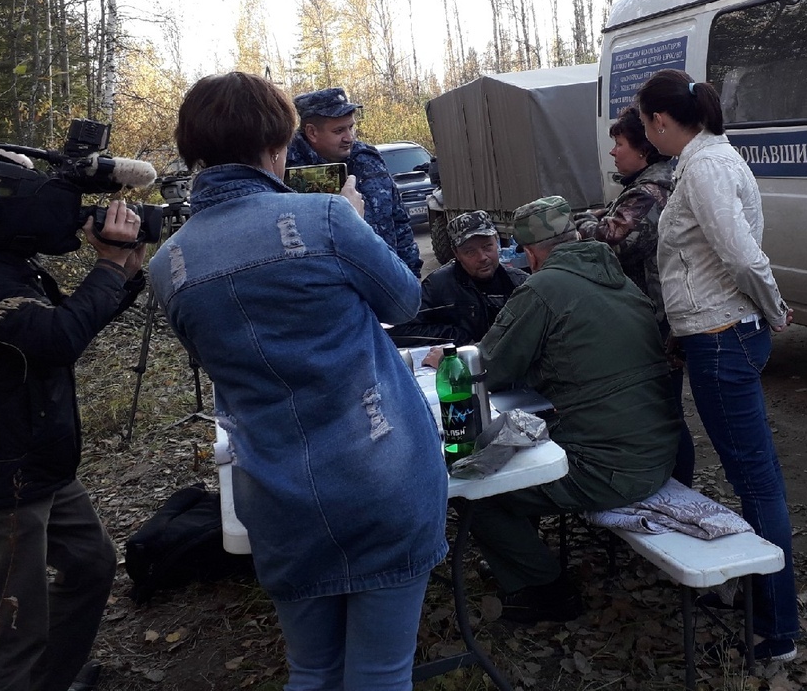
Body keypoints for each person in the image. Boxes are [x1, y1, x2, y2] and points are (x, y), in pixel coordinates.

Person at [148, 72, 447, 691]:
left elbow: (217, 356)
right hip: (381, 475)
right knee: (383, 671)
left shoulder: (166, 265)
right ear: (279, 144)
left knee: (311, 670)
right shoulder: (327, 218)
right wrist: (353, 218)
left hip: (276, 493)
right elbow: (405, 301)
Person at [0, 200, 147, 691]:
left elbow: (60, 324)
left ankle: (47, 682)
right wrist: (106, 265)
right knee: (13, 628)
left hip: (39, 458)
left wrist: (121, 274)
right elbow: (56, 338)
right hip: (4, 474)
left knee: (91, 564)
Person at [636, 67, 799, 664]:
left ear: (659, 121)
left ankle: (777, 628)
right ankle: (759, 597)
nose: (643, 135)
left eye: (644, 123)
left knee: (756, 482)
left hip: (722, 335)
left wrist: (773, 307)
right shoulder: (707, 160)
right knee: (751, 476)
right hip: (720, 332)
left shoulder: (703, 168)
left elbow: (740, 253)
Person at [471, 196, 679, 624]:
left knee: (479, 493)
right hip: (659, 452)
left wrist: (452, 360)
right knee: (518, 453)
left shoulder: (544, 288)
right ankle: (523, 558)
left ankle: (545, 590)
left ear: (529, 253)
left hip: (612, 466)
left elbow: (490, 367)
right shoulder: (622, 282)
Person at [573, 105, 695, 485]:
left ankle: (675, 492)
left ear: (643, 150)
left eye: (619, 143)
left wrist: (582, 223)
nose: (613, 151)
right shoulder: (651, 183)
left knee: (663, 414)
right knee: (663, 411)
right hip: (657, 319)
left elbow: (615, 242)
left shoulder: (650, 190)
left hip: (655, 323)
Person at [284, 86, 422, 277]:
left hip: (387, 282)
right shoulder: (286, 168)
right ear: (312, 132)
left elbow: (399, 220)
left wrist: (411, 274)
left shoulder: (368, 158)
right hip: (332, 291)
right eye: (339, 130)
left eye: (351, 127)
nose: (349, 138)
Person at [387, 210, 527, 347]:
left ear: (497, 242)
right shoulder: (438, 287)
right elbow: (398, 331)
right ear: (456, 253)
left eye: (487, 247)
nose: (482, 257)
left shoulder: (519, 283)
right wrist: (457, 337)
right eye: (470, 252)